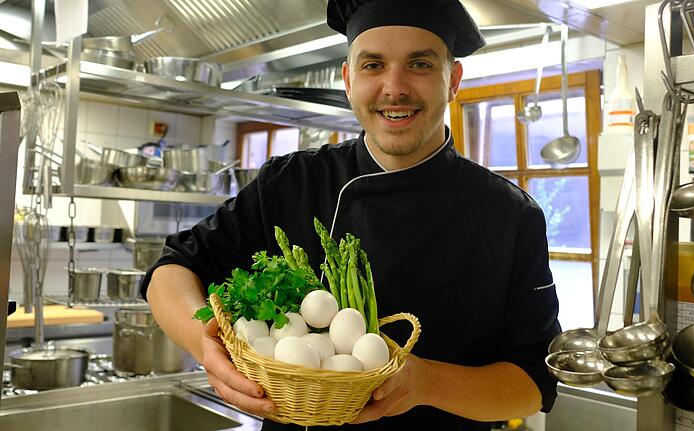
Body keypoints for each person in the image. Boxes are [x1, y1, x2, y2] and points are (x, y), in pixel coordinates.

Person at [142, 0, 561, 429]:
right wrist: (205, 346)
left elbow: (533, 382)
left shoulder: (510, 215)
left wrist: (425, 383)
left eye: (419, 64)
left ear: (451, 80)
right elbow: (171, 269)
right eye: (373, 65)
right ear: (348, 79)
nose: (394, 88)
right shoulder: (290, 182)